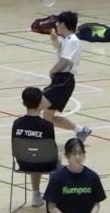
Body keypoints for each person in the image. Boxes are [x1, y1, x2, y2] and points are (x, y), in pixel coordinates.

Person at [38, 11, 92, 141]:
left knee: (36, 105)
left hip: (63, 81)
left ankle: (43, 140)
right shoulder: (68, 40)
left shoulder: (73, 40)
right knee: (48, 117)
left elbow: (64, 61)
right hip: (61, 81)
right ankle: (81, 130)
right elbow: (60, 48)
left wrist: (52, 70)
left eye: (58, 22)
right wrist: (54, 39)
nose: (56, 24)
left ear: (64, 24)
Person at [12, 87, 58, 208]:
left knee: (33, 154)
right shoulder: (47, 125)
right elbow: (51, 149)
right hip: (44, 164)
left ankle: (36, 194)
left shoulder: (17, 123)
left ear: (23, 103)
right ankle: (53, 198)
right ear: (40, 103)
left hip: (23, 162)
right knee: (52, 158)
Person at [43, 138, 107, 213]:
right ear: (67, 155)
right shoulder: (57, 178)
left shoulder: (93, 176)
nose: (77, 157)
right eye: (74, 153)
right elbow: (51, 207)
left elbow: (96, 204)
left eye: (80, 153)